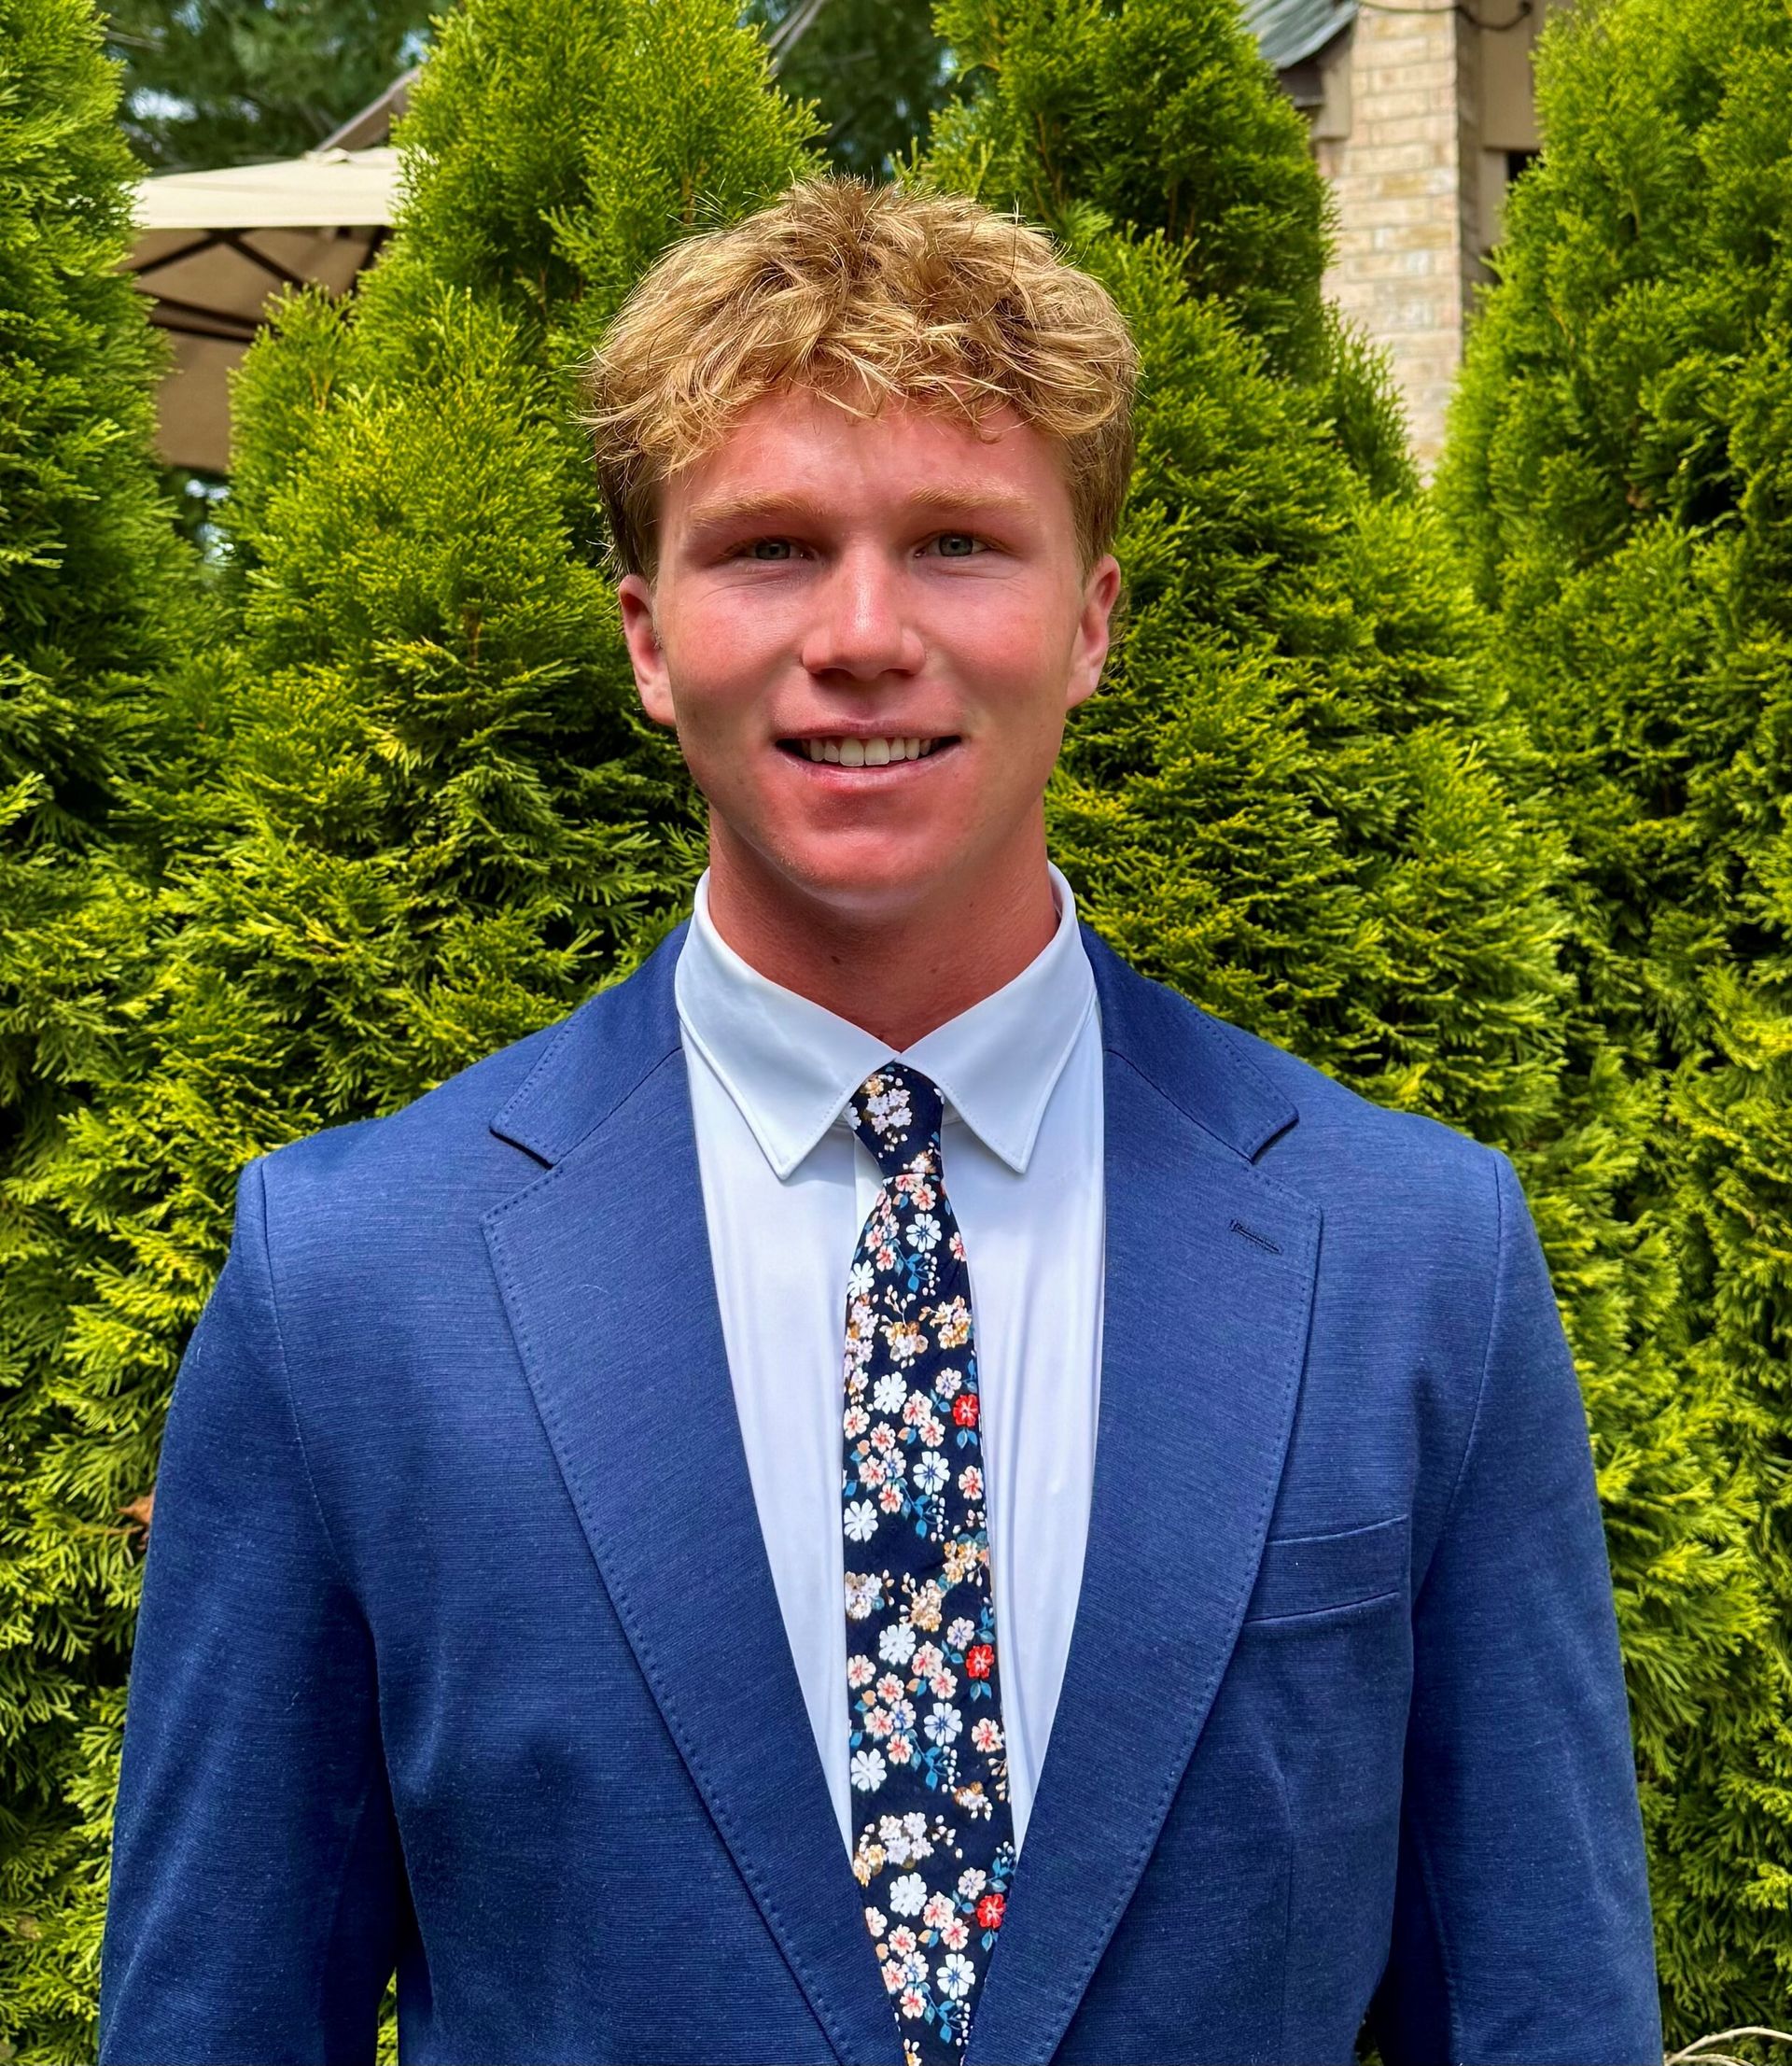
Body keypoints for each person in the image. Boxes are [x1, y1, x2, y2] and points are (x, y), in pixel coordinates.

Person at [97, 176, 1662, 2066]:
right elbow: (214, 2022)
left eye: (954, 543)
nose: (861, 632)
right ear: (646, 637)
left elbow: (1544, 2014)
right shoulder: (350, 1286)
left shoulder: (1413, 1260)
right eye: (766, 547)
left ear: (1089, 623)